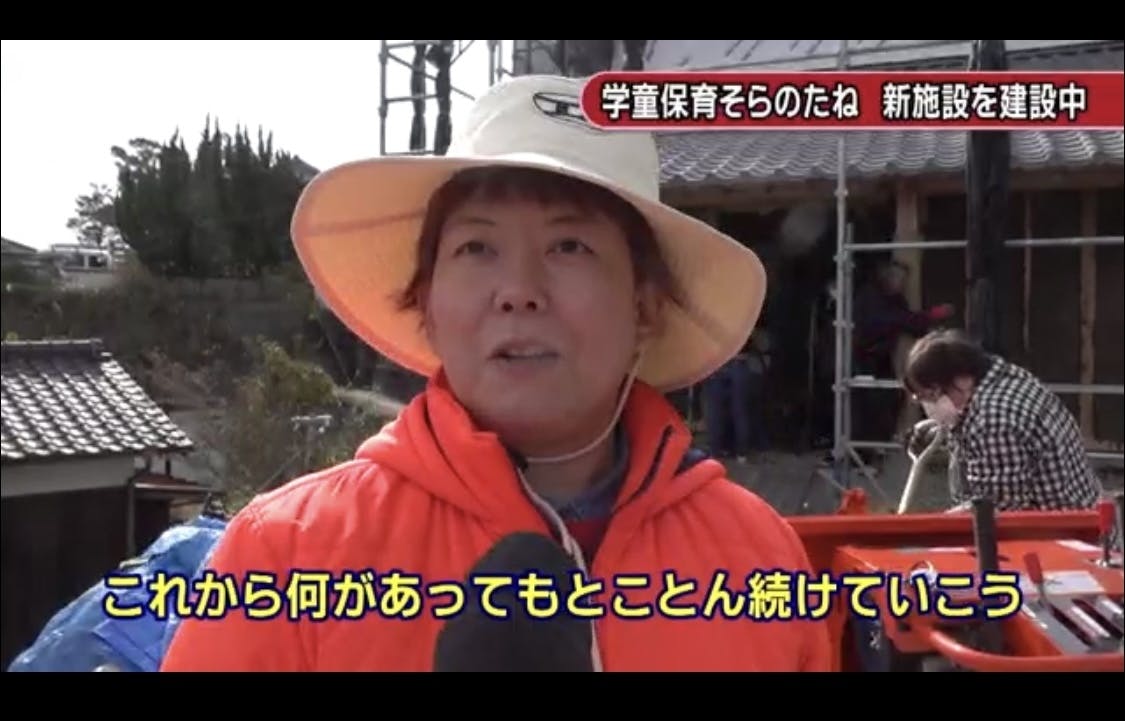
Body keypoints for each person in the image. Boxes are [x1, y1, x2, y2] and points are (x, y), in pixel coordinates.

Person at [159, 74, 832, 672]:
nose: (518, 291)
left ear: (644, 308)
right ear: (426, 304)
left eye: (569, 246)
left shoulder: (758, 558)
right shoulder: (286, 554)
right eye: (476, 247)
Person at [902, 329, 1103, 512]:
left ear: (960, 379)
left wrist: (934, 527)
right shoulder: (1005, 380)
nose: (930, 406)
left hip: (1061, 531)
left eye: (932, 396)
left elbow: (993, 509)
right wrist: (940, 435)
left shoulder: (992, 419)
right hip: (1080, 514)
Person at [853, 260, 954, 459]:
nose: (901, 283)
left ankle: (878, 444)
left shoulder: (896, 299)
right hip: (861, 355)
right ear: (886, 276)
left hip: (881, 355)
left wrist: (933, 329)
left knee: (894, 397)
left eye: (903, 279)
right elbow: (893, 320)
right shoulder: (870, 296)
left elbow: (910, 323)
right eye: (897, 278)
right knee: (866, 401)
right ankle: (862, 451)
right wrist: (930, 315)